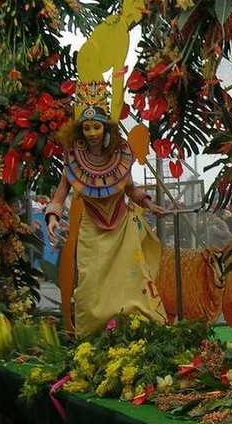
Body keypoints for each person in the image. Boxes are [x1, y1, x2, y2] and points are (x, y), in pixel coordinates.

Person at [45, 104, 167, 335]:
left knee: (132, 283)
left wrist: (149, 204)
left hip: (123, 230)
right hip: (91, 231)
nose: (92, 133)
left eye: (97, 127)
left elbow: (130, 189)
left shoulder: (119, 156)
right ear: (80, 131)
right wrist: (52, 216)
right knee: (90, 286)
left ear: (106, 129)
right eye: (87, 128)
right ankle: (93, 338)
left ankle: (137, 333)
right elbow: (60, 194)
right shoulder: (74, 159)